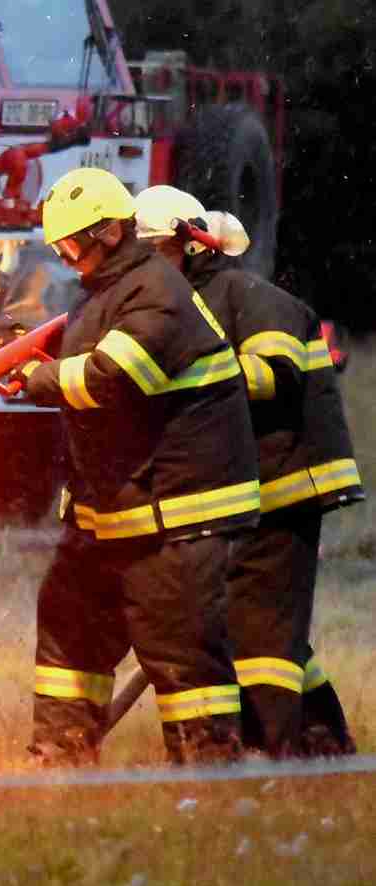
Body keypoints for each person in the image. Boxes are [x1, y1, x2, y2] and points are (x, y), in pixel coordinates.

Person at [17, 168, 259, 765]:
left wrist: (39, 378)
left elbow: (114, 380)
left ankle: (206, 769)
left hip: (176, 516)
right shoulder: (109, 294)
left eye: (73, 245)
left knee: (177, 647)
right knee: (70, 625)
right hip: (119, 513)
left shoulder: (158, 292)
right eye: (60, 249)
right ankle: (62, 753)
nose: (68, 259)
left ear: (109, 233)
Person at [135, 185, 364, 757]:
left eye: (151, 251)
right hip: (240, 492)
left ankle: (275, 755)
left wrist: (191, 370)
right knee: (260, 623)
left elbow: (275, 377)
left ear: (191, 245)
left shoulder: (252, 298)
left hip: (286, 484)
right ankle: (325, 745)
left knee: (261, 631)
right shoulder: (183, 304)